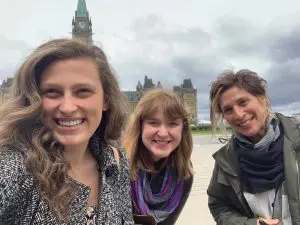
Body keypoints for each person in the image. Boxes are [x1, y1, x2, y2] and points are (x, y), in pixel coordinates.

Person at [0, 38, 134, 225]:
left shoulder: (115, 162)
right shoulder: (14, 166)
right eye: (52, 92)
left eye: (83, 91)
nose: (68, 107)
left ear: (106, 100)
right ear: (33, 100)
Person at [207, 69, 300, 225]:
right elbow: (219, 205)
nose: (238, 114)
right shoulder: (226, 159)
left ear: (262, 99)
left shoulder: (296, 139)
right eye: (228, 110)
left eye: (243, 102)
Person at [122, 89, 194, 225]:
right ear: (140, 126)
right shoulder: (118, 166)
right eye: (154, 123)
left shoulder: (184, 171)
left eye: (172, 124)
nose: (163, 133)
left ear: (182, 129)